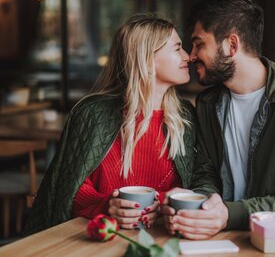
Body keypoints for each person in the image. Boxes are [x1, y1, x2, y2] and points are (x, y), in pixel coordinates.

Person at [24, 14, 217, 235]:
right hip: (97, 239)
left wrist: (168, 203)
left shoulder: (185, 115)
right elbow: (66, 190)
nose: (188, 56)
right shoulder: (92, 113)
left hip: (165, 238)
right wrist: (107, 206)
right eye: (177, 48)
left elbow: (202, 176)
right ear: (147, 59)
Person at [163, 0, 275, 240]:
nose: (190, 56)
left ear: (232, 45)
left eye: (199, 44)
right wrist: (203, 206)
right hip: (218, 238)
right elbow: (206, 173)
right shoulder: (208, 103)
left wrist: (230, 215)